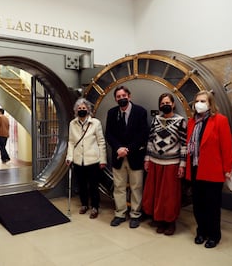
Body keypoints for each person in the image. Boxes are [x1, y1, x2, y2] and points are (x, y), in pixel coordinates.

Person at [185, 90, 232, 248]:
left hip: (213, 170)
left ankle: (214, 235)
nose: (199, 104)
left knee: (212, 206)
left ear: (210, 104)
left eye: (203, 101)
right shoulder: (192, 121)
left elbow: (226, 147)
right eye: (197, 101)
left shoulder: (220, 120)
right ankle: (201, 232)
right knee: (198, 204)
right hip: (195, 169)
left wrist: (227, 168)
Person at [142, 93, 187, 236]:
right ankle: (159, 220)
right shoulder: (156, 119)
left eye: (167, 102)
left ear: (173, 104)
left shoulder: (181, 121)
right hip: (155, 163)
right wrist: (147, 159)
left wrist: (182, 164)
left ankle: (170, 222)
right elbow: (150, 140)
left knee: (169, 196)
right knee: (155, 194)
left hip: (172, 164)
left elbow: (184, 144)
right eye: (162, 103)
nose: (165, 105)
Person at [105, 85, 149, 228]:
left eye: (124, 96)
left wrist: (128, 149)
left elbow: (143, 135)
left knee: (137, 187)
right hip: (118, 157)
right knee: (119, 187)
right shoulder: (111, 113)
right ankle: (120, 213)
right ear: (116, 99)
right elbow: (109, 134)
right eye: (118, 97)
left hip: (135, 156)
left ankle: (135, 214)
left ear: (129, 96)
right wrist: (118, 148)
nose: (121, 99)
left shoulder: (140, 112)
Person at [66, 98, 107, 219]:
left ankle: (95, 207)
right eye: (79, 109)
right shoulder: (72, 124)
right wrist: (69, 157)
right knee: (81, 184)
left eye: (84, 108)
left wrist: (103, 159)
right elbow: (71, 142)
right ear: (76, 110)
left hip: (93, 160)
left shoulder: (95, 123)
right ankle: (84, 204)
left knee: (94, 185)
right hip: (78, 160)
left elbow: (101, 142)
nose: (82, 110)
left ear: (88, 110)